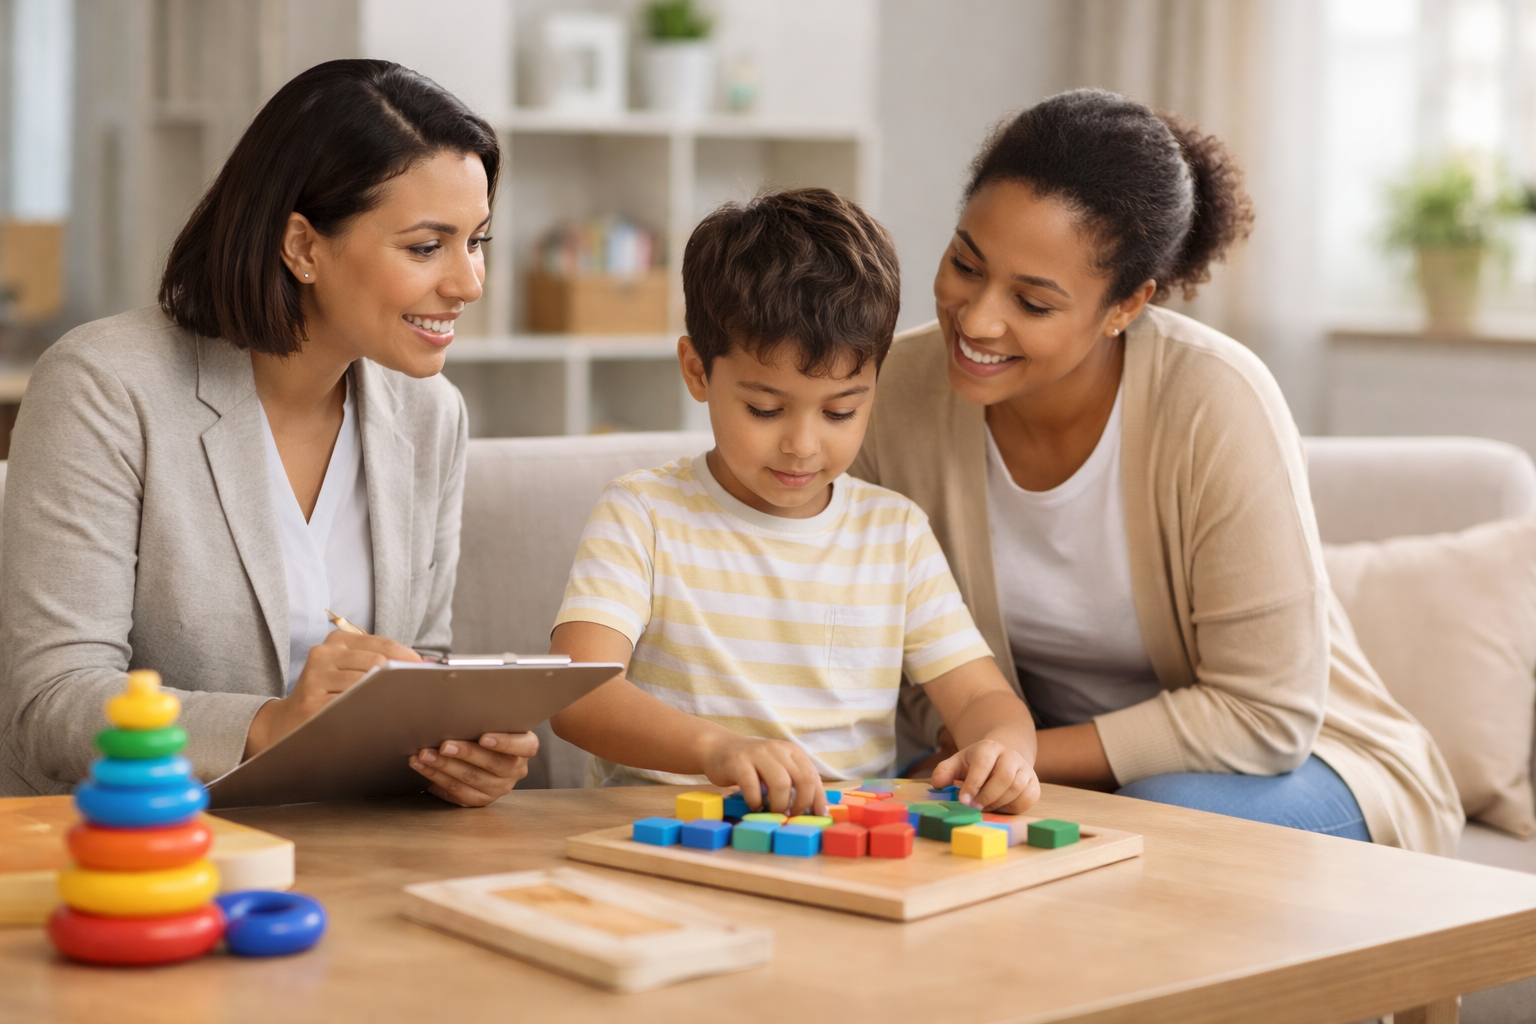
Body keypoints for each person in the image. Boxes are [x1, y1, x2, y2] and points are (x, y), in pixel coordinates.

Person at [851, 89, 1463, 854]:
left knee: (1152, 813)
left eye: (1033, 303)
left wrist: (1020, 753)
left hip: (1309, 764)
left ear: (1125, 305)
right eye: (964, 264)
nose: (976, 319)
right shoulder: (895, 393)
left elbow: (1265, 717)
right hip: (1019, 767)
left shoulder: (1215, 401)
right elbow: (889, 658)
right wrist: (982, 750)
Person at [0, 59, 535, 806]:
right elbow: (49, 705)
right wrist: (268, 724)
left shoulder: (430, 414)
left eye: (476, 241)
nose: (468, 282)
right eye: (425, 247)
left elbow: (422, 659)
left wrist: (451, 751)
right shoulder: (105, 385)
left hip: (347, 847)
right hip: (140, 854)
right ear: (303, 246)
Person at [547, 189, 1040, 816]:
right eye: (765, 409)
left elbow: (979, 701)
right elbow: (575, 694)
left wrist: (1003, 749)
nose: (802, 445)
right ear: (698, 371)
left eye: (841, 410)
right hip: (662, 835)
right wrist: (715, 749)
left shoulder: (895, 534)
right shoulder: (642, 514)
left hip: (836, 847)